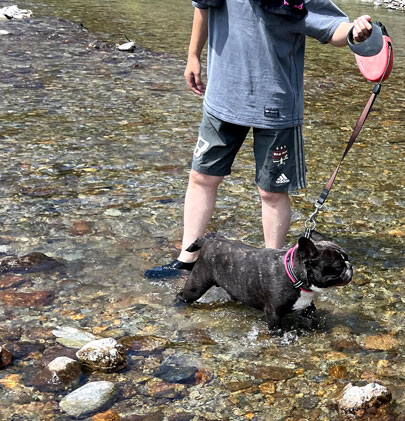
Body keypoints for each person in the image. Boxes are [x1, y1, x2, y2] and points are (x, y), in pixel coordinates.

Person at [145, 0, 373, 279]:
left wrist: (355, 32)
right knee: (202, 177)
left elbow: (333, 28)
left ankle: (272, 269)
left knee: (271, 192)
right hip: (222, 100)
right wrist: (193, 54)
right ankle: (188, 258)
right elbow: (203, 6)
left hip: (276, 107)